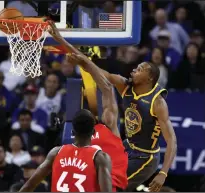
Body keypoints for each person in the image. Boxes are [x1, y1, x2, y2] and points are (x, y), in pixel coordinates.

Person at [46, 22, 177, 192]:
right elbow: (97, 71)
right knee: (96, 179)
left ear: (149, 78)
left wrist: (164, 172)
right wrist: (61, 41)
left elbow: (172, 140)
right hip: (127, 146)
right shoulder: (125, 86)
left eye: (140, 69)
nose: (134, 70)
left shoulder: (157, 103)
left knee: (109, 186)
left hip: (145, 158)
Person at [48, 21, 128, 191]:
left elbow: (106, 86)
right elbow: (106, 87)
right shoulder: (79, 141)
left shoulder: (107, 123)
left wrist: (64, 42)